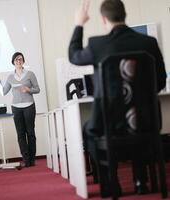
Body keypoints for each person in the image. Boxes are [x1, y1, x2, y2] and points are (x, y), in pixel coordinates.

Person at [68, 0, 166, 197]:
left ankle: (112, 183)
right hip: (147, 121)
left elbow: (74, 56)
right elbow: (161, 82)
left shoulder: (97, 45)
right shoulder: (148, 43)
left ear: (104, 19)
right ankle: (140, 181)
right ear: (125, 15)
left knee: (89, 130)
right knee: (136, 124)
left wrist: (79, 24)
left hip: (108, 123)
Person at [0, 52, 40, 167]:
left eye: (20, 59)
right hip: (16, 108)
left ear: (23, 61)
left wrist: (28, 90)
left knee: (30, 133)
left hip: (29, 106)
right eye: (16, 60)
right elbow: (3, 92)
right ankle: (26, 159)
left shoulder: (30, 74)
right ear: (13, 62)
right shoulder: (10, 77)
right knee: (20, 134)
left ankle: (32, 160)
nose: (18, 61)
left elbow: (37, 89)